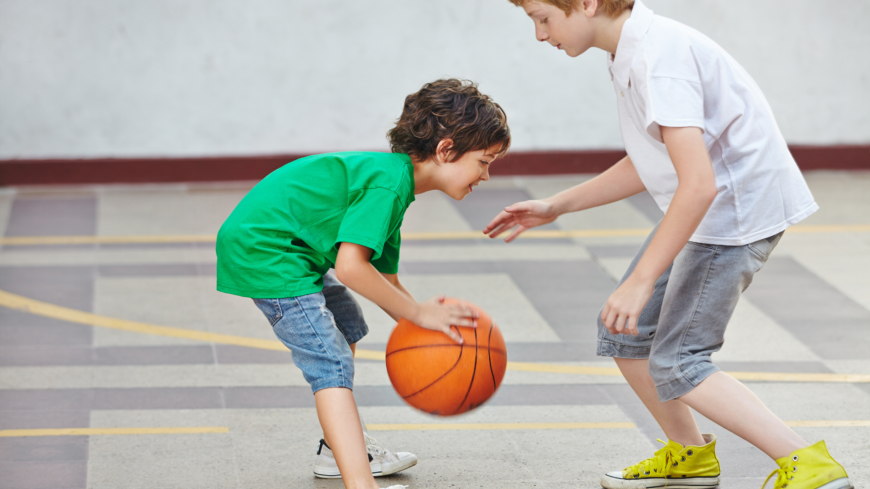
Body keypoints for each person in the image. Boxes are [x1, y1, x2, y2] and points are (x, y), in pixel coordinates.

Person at [485, 1, 853, 489]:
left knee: (680, 360)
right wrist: (558, 205)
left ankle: (811, 465)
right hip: (714, 210)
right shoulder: (629, 52)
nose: (538, 33)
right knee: (626, 335)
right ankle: (690, 456)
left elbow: (698, 185)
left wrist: (640, 282)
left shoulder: (661, 59)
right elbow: (650, 160)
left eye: (542, 17)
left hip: (733, 218)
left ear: (589, 4)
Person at [216, 78, 511, 489]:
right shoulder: (387, 184)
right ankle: (361, 483)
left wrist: (424, 322)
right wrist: (418, 312)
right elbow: (351, 269)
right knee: (331, 363)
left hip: (289, 250)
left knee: (347, 325)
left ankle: (337, 453)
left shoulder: (395, 184)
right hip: (268, 252)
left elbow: (383, 277)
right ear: (446, 151)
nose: (487, 174)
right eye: (484, 161)